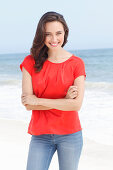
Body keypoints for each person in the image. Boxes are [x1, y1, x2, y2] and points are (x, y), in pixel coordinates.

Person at [20, 11, 86, 170]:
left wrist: (39, 100)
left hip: (70, 135)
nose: (54, 39)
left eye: (58, 33)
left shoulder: (77, 64)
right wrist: (64, 100)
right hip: (40, 136)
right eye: (48, 34)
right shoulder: (30, 62)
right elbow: (29, 104)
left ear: (65, 33)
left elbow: (76, 105)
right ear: (41, 35)